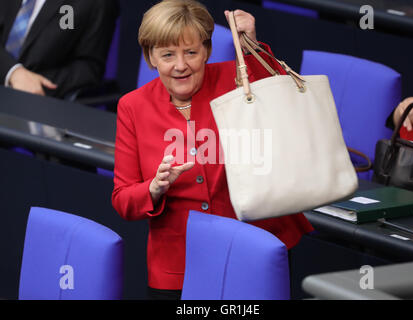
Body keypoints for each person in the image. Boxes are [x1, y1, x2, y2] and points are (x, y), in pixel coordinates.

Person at [112, 0, 314, 300]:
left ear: (206, 51)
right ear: (150, 57)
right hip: (178, 266)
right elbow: (123, 200)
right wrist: (153, 188)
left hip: (255, 248)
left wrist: (251, 44)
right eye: (167, 54)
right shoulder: (132, 107)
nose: (180, 65)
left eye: (191, 52)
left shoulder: (237, 78)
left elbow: (283, 95)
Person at [0, 0, 119, 99]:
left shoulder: (97, 3)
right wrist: (13, 72)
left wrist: (37, 84)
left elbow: (89, 68)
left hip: (32, 103)